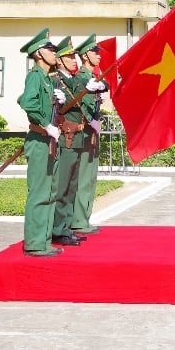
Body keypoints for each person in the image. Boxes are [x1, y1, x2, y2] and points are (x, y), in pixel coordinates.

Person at [17, 28, 65, 257]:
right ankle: (35, 243)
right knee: (39, 193)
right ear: (38, 53)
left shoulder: (47, 79)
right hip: (40, 139)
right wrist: (46, 124)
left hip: (49, 140)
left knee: (50, 191)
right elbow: (27, 102)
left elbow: (24, 98)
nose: (55, 53)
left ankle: (44, 240)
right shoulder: (35, 75)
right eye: (50, 49)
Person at [70, 34, 108, 235]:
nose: (99, 56)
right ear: (85, 56)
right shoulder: (82, 77)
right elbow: (80, 103)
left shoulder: (91, 77)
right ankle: (79, 220)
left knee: (90, 176)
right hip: (84, 132)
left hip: (91, 131)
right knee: (84, 176)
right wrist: (91, 120)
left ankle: (83, 218)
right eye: (95, 52)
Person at [50, 36, 86, 247]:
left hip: (77, 136)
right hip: (65, 138)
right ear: (60, 60)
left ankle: (67, 226)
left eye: (74, 56)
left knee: (72, 185)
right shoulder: (55, 81)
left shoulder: (73, 81)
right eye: (69, 57)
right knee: (62, 185)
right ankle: (58, 229)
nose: (75, 60)